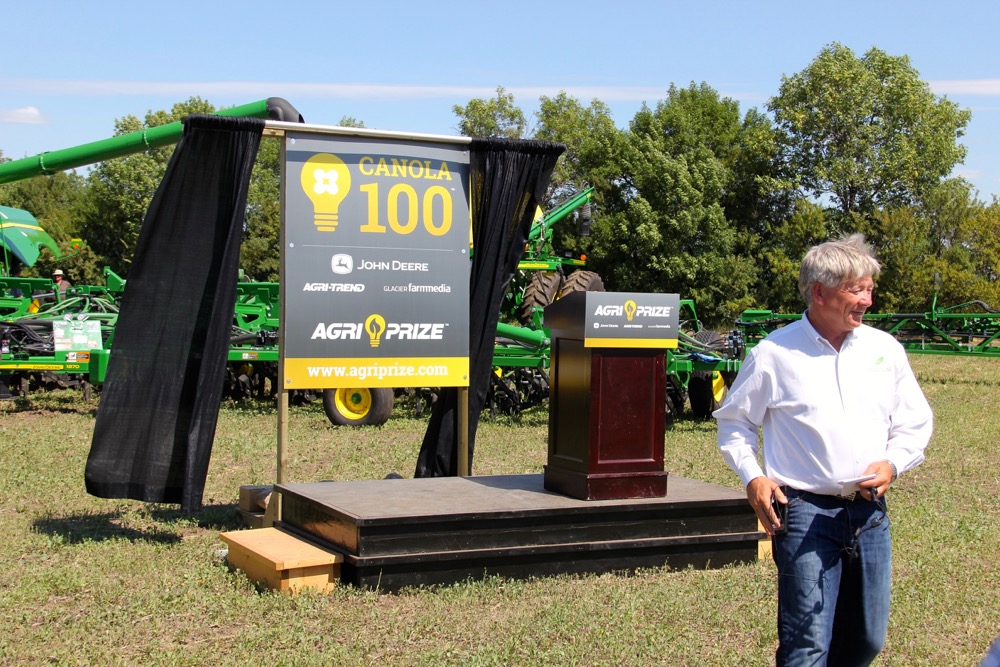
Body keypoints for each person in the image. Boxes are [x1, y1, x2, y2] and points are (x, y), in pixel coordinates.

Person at [714, 233, 933, 666]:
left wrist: (892, 463)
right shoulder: (775, 353)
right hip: (805, 515)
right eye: (857, 289)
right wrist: (753, 476)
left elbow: (915, 422)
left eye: (870, 288)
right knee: (807, 644)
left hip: (870, 514)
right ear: (819, 292)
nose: (867, 300)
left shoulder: (884, 350)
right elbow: (735, 423)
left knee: (866, 639)